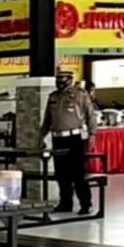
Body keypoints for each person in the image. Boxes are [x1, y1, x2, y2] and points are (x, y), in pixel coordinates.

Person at [39, 67, 97, 215]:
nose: (60, 83)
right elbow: (47, 120)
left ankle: (86, 203)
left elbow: (91, 116)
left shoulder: (80, 95)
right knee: (61, 173)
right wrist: (41, 137)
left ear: (70, 80)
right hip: (58, 138)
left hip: (75, 138)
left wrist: (92, 135)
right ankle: (65, 202)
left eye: (63, 80)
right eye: (58, 80)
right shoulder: (53, 97)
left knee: (78, 173)